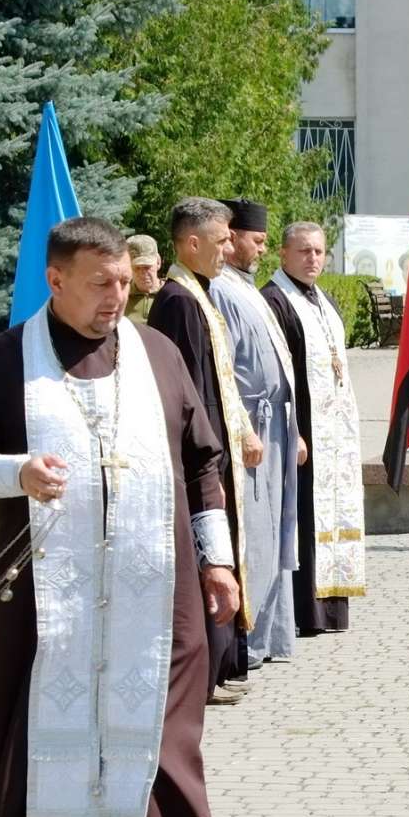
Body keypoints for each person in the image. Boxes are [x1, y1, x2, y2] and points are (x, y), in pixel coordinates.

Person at [0, 216, 236, 817]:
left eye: (126, 282)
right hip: (47, 599)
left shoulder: (158, 353)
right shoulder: (5, 361)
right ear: (56, 279)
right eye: (100, 283)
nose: (117, 297)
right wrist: (14, 472)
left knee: (161, 743)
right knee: (47, 741)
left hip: (157, 593)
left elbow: (203, 463)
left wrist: (219, 561)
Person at [149, 197, 256, 702]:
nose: (229, 247)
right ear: (191, 243)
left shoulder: (200, 293)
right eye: (221, 240)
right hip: (199, 456)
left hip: (217, 448)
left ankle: (216, 666)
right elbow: (187, 389)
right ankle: (201, 673)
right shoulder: (177, 300)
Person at [261, 222, 367, 632]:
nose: (313, 259)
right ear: (283, 254)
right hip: (303, 432)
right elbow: (278, 376)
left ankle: (332, 607)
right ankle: (306, 612)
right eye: (304, 251)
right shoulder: (275, 300)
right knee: (305, 515)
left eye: (320, 252)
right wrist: (294, 430)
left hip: (335, 433)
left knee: (333, 512)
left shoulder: (323, 300)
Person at [208, 199, 300, 669]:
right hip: (252, 426)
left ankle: (271, 634)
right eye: (257, 241)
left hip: (276, 426)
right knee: (257, 534)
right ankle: (251, 638)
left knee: (277, 531)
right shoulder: (221, 290)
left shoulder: (243, 287)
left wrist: (295, 430)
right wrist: (245, 428)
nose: (259, 250)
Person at [125, 234, 163, 322]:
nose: (142, 273)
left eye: (147, 267)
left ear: (158, 262)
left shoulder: (171, 296)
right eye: (137, 268)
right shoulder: (122, 296)